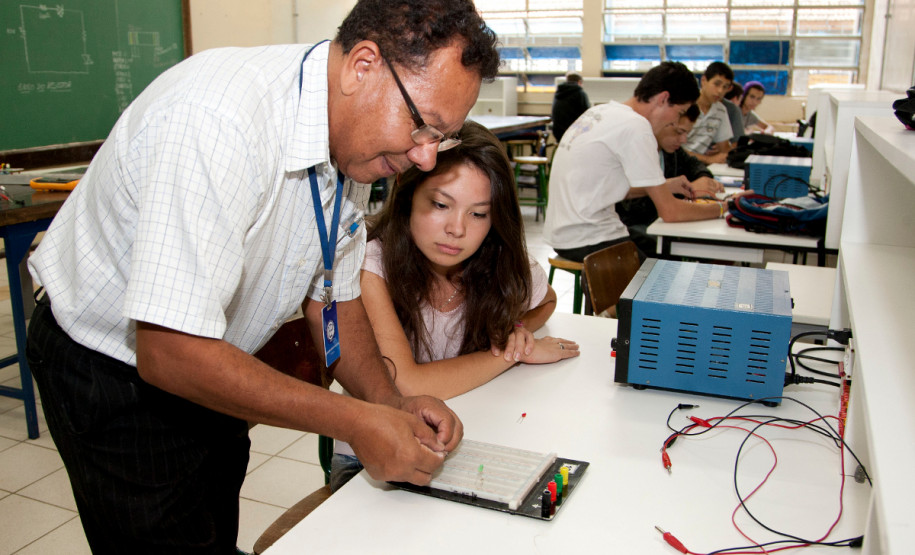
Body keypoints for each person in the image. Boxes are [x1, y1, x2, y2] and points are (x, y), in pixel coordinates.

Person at [24, 1, 500, 552]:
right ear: (363, 66)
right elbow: (170, 350)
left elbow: (335, 299)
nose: (424, 157)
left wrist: (388, 404)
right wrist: (356, 421)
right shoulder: (218, 123)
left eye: (440, 137)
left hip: (217, 356)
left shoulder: (357, 138)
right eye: (422, 126)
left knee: (214, 524)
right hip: (115, 368)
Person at [330, 121, 579, 489]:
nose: (457, 229)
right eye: (441, 204)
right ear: (407, 191)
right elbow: (408, 386)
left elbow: (547, 300)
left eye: (478, 214)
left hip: (469, 435)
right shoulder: (369, 264)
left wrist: (516, 330)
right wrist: (511, 354)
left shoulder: (494, 258)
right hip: (374, 461)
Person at [544, 61, 728, 267]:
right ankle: (619, 299)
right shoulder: (637, 126)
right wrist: (723, 209)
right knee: (667, 276)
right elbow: (671, 212)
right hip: (591, 238)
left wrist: (664, 186)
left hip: (565, 233)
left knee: (661, 256)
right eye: (678, 113)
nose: (674, 123)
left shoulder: (604, 111)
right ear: (663, 99)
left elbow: (603, 187)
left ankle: (613, 298)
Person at [616, 104, 725, 255]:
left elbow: (695, 165)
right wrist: (680, 190)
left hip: (658, 225)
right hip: (632, 228)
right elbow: (632, 207)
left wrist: (703, 180)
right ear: (665, 123)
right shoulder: (635, 149)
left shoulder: (671, 151)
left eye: (687, 133)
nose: (683, 140)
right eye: (679, 132)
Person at [682, 61, 735, 165]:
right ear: (704, 81)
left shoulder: (721, 110)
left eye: (725, 87)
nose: (720, 91)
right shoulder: (685, 104)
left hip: (697, 166)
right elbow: (672, 150)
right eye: (717, 84)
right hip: (676, 165)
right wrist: (707, 159)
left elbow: (724, 149)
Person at [551, 71, 591, 142]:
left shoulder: (558, 93)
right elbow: (587, 114)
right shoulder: (580, 93)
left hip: (558, 133)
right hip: (572, 134)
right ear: (579, 82)